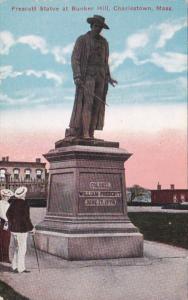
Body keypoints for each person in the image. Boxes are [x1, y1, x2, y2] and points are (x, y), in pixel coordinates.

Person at [67, 15, 117, 139]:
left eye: (100, 27)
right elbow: (75, 59)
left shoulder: (104, 43)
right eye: (96, 26)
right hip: (87, 76)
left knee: (97, 105)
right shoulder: (82, 40)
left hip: (101, 77)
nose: (98, 29)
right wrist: (77, 75)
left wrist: (108, 77)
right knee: (88, 104)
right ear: (91, 26)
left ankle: (91, 132)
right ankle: (85, 133)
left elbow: (105, 61)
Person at [6, 186, 34, 273]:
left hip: (13, 230)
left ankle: (14, 266)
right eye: (25, 193)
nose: (25, 194)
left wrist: (12, 223)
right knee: (22, 249)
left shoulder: (13, 203)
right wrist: (31, 228)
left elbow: (8, 214)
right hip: (22, 230)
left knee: (17, 248)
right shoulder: (24, 203)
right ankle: (21, 268)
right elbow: (26, 218)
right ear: (22, 195)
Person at [0, 189, 14, 263]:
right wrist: (6, 219)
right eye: (7, 196)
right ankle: (2, 258)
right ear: (3, 196)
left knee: (6, 240)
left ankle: (5, 257)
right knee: (2, 240)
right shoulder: (1, 204)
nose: (8, 198)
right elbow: (2, 214)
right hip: (2, 222)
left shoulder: (8, 204)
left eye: (9, 196)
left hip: (7, 223)